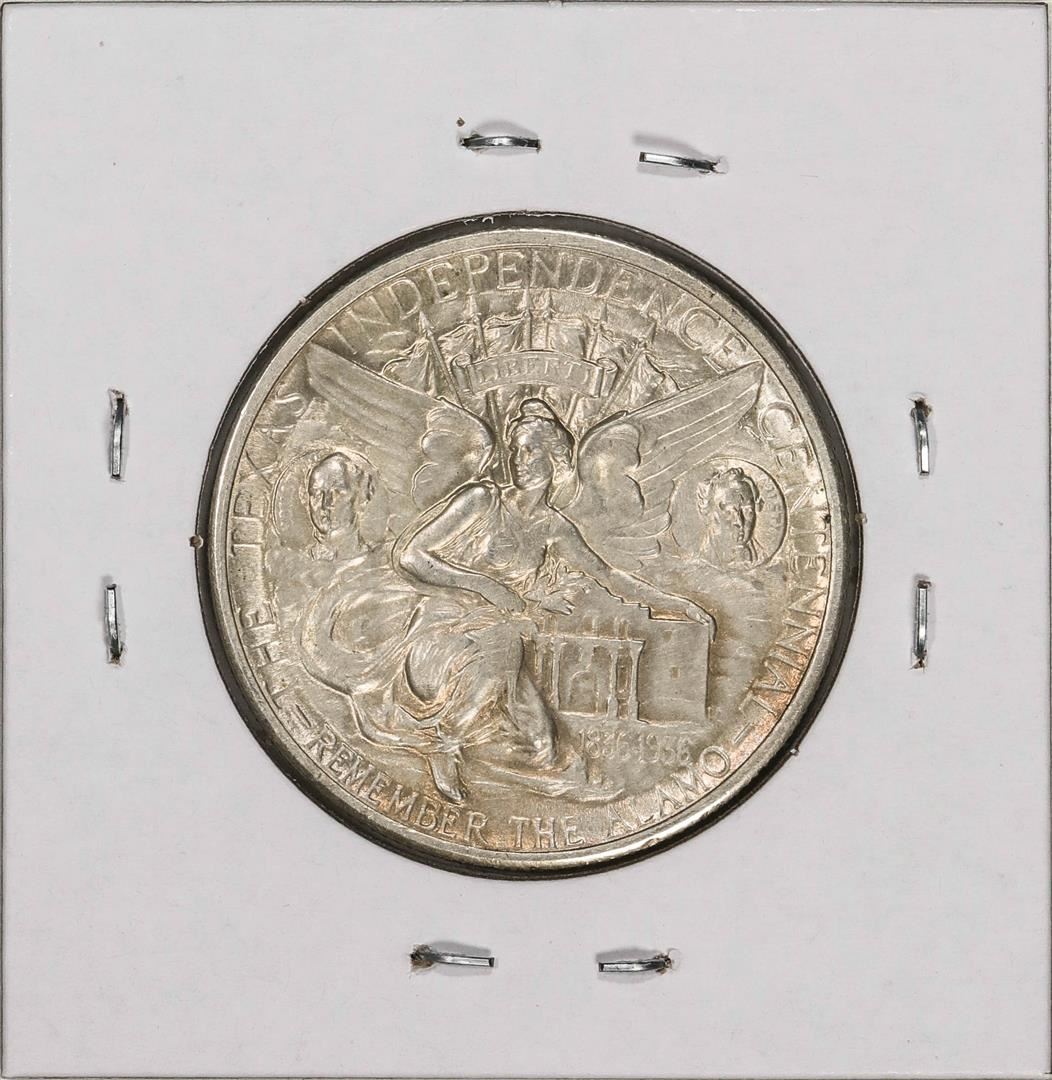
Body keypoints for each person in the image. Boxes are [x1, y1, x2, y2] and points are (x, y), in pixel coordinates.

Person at [302, 399, 713, 804]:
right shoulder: (482, 500)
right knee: (503, 650)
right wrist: (483, 584)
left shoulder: (555, 528)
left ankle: (498, 779)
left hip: (497, 636)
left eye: (530, 450)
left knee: (545, 745)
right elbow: (411, 555)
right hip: (444, 627)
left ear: (555, 459)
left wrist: (676, 604)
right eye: (515, 450)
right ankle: (442, 741)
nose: (519, 460)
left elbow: (608, 576)